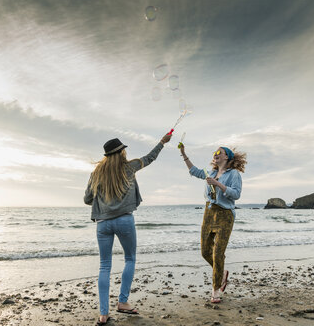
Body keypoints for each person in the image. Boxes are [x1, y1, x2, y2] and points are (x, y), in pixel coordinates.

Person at [84, 133, 172, 325]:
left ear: (107, 155)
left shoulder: (96, 174)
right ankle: (123, 302)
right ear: (121, 152)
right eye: (123, 150)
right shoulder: (129, 167)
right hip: (124, 221)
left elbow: (87, 199)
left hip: (103, 224)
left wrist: (103, 195)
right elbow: (150, 158)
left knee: (104, 266)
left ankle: (103, 314)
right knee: (130, 259)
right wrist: (162, 142)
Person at [179, 144, 247, 303]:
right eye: (215, 153)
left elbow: (236, 194)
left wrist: (218, 184)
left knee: (218, 254)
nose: (215, 154)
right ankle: (222, 273)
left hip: (225, 215)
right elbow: (194, 171)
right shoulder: (211, 173)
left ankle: (215, 290)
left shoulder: (234, 174)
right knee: (205, 252)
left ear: (226, 157)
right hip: (209, 213)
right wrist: (183, 153)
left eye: (219, 153)